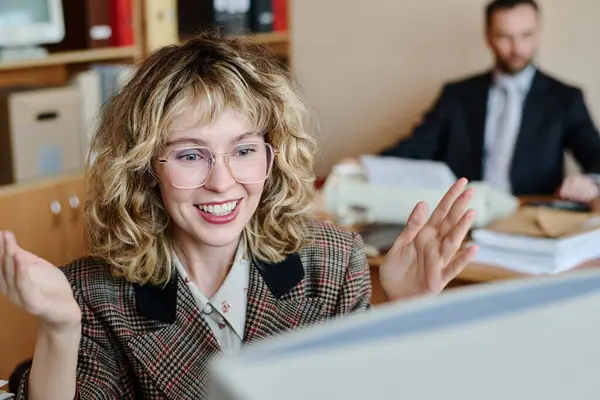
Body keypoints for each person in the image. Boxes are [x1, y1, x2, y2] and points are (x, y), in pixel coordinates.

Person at [0, 32, 477, 400]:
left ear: (273, 156)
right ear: (146, 168)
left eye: (244, 150)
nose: (223, 182)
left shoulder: (332, 264)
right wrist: (61, 330)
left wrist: (405, 312)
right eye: (191, 156)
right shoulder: (93, 291)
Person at [344, 0, 600, 201]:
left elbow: (595, 153)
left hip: (530, 217)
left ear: (539, 34)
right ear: (488, 36)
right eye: (505, 36)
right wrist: (365, 166)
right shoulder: (457, 95)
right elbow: (417, 147)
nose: (516, 48)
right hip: (465, 214)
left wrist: (590, 180)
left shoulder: (565, 98)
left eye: (526, 35)